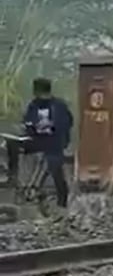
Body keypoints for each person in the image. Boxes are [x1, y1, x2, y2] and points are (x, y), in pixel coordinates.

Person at [22, 78, 72, 208]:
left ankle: (61, 203)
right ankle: (33, 194)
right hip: (37, 144)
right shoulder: (33, 105)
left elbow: (65, 124)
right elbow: (28, 123)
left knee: (55, 170)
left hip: (54, 145)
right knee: (38, 167)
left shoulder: (58, 106)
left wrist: (53, 130)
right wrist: (32, 129)